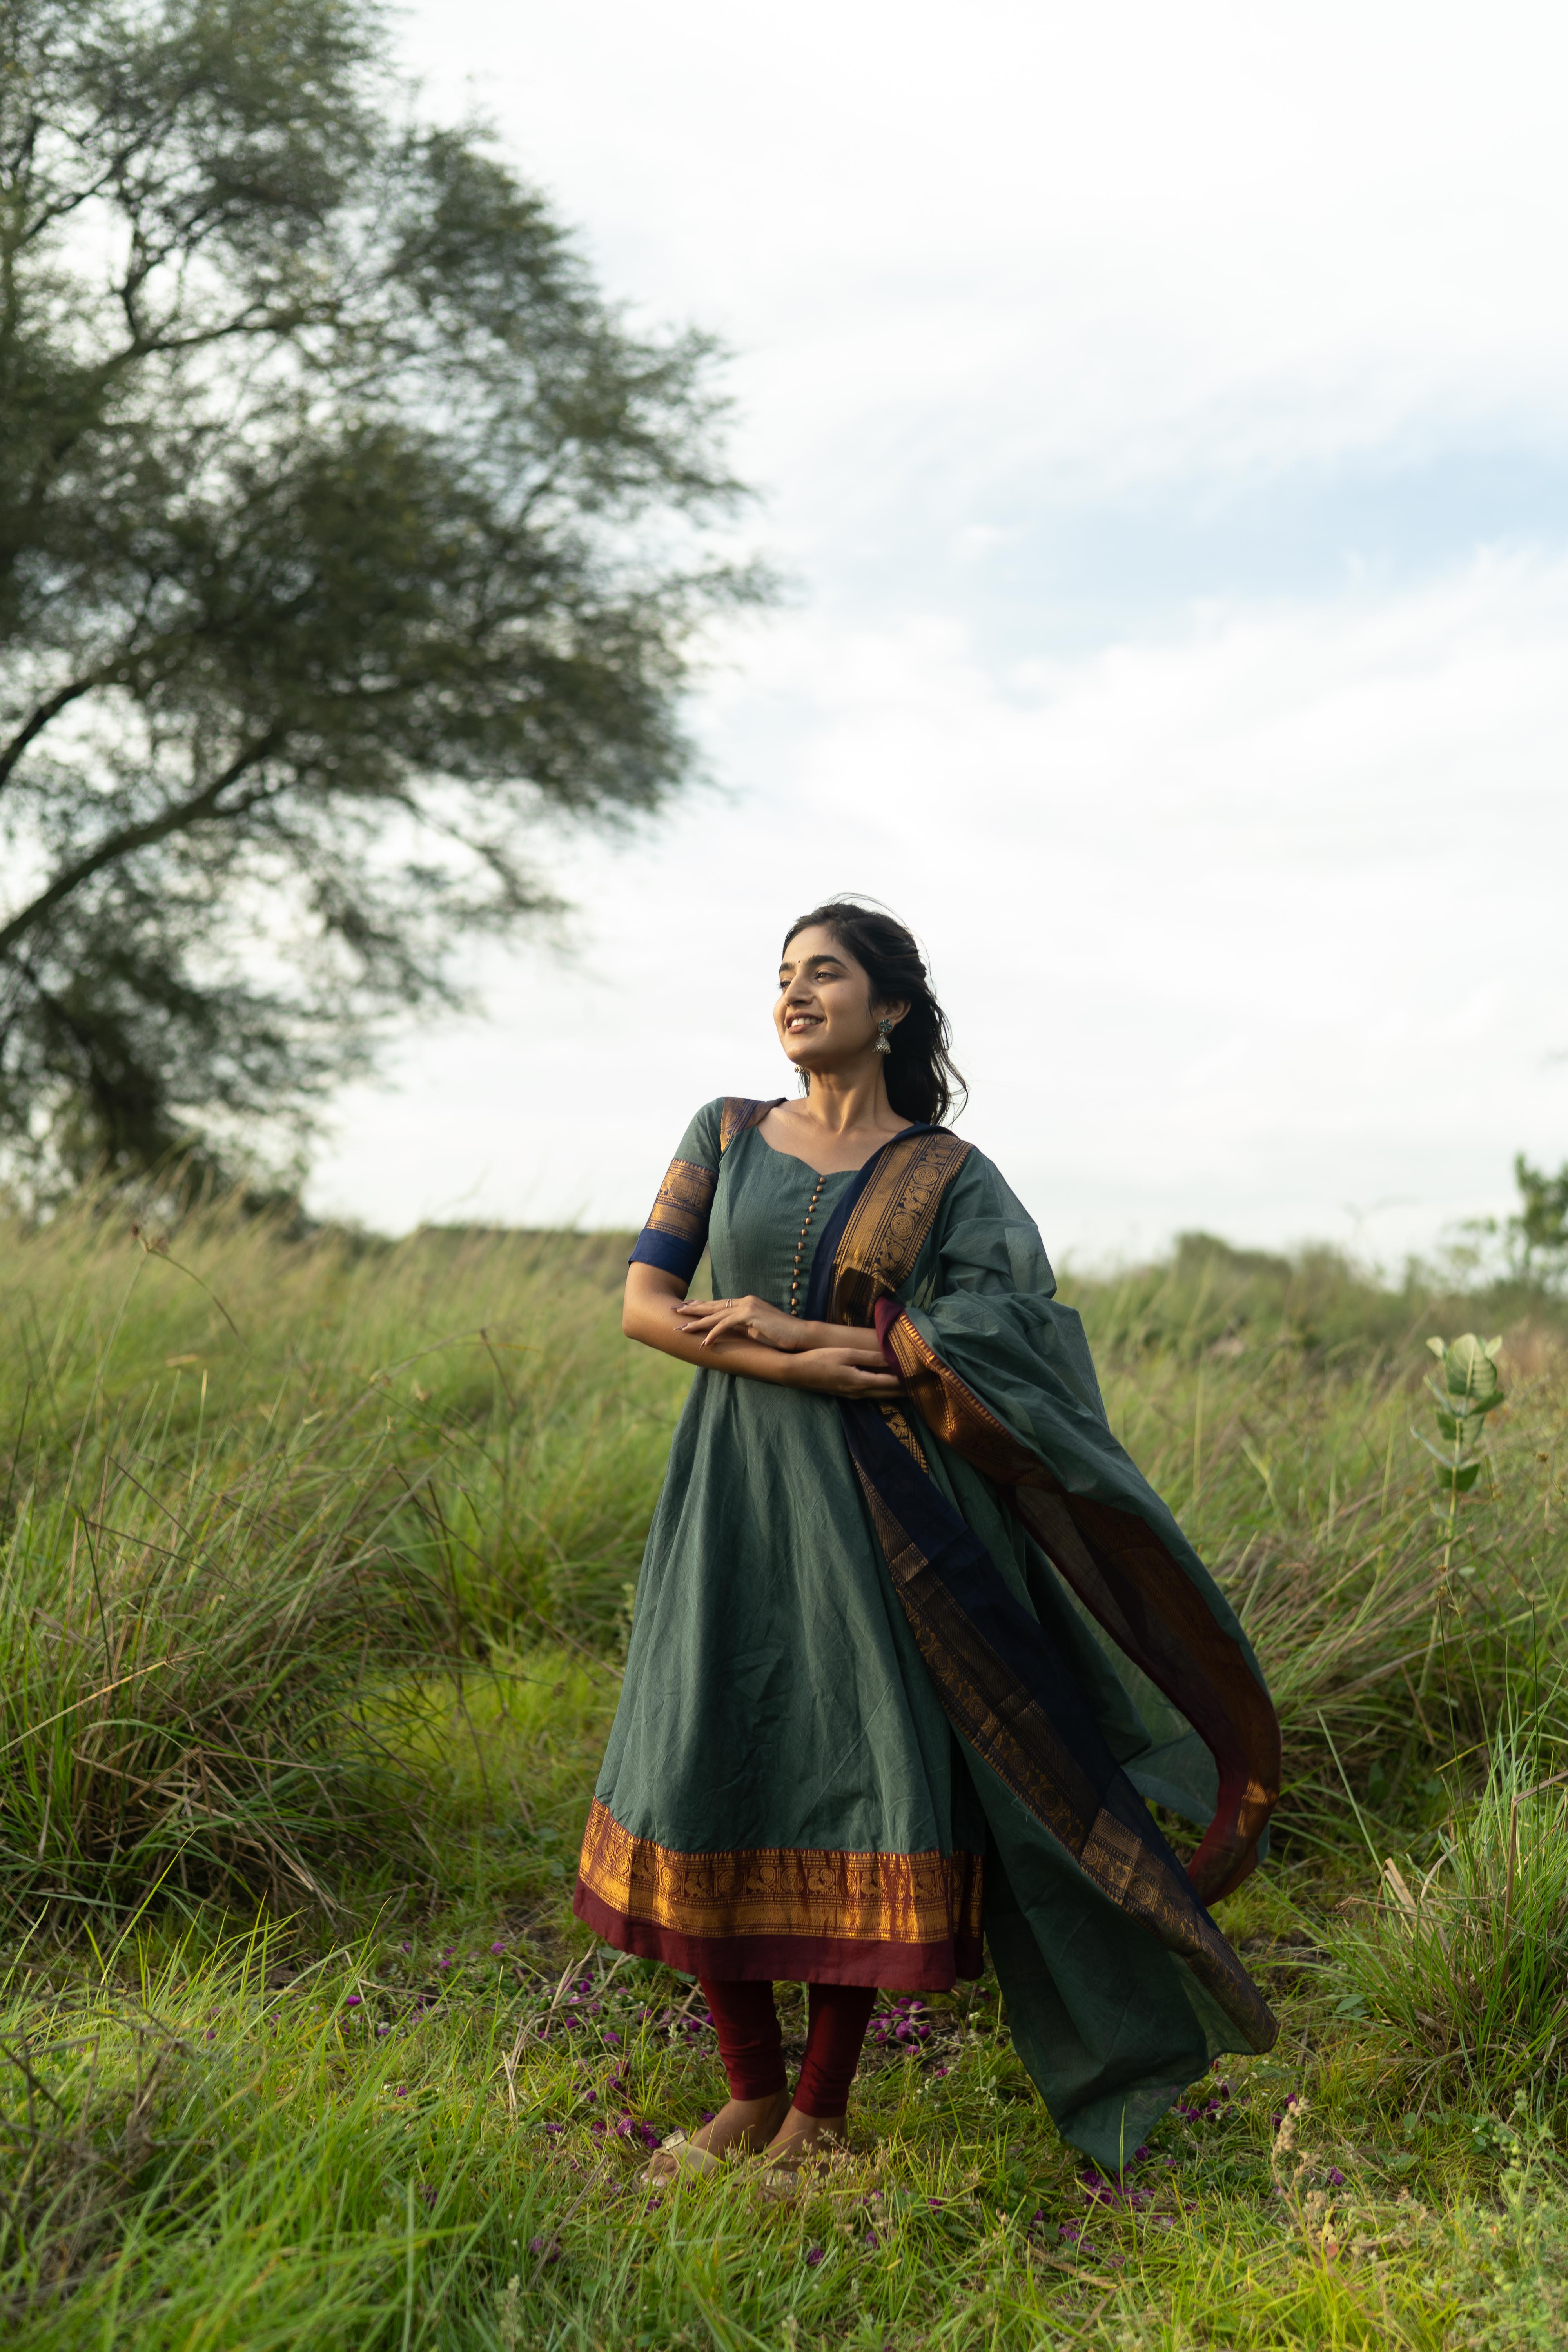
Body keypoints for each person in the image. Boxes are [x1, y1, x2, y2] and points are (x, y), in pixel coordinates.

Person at [573, 900, 1279, 2180]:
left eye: (825, 974)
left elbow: (1001, 1338)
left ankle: (818, 2116)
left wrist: (793, 1332)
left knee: (864, 1774)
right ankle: (748, 2092)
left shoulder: (947, 1177)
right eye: (783, 976)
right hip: (728, 1490)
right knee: (701, 1752)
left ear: (890, 1007)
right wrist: (804, 1359)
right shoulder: (723, 1132)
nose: (795, 994)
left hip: (883, 1509)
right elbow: (643, 1305)